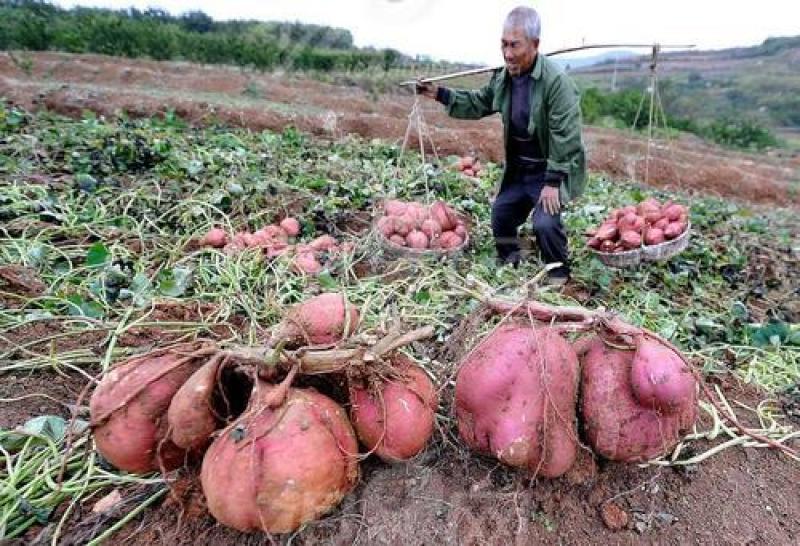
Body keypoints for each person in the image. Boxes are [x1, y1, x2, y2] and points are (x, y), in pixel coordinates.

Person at [417, 6, 586, 285]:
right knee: (501, 215)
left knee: (545, 223)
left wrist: (554, 181)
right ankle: (511, 260)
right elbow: (478, 102)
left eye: (515, 45)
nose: (507, 53)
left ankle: (559, 275)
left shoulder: (556, 83)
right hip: (520, 168)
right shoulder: (504, 78)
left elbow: (566, 134)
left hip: (549, 168)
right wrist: (439, 93)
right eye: (504, 45)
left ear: (535, 45)